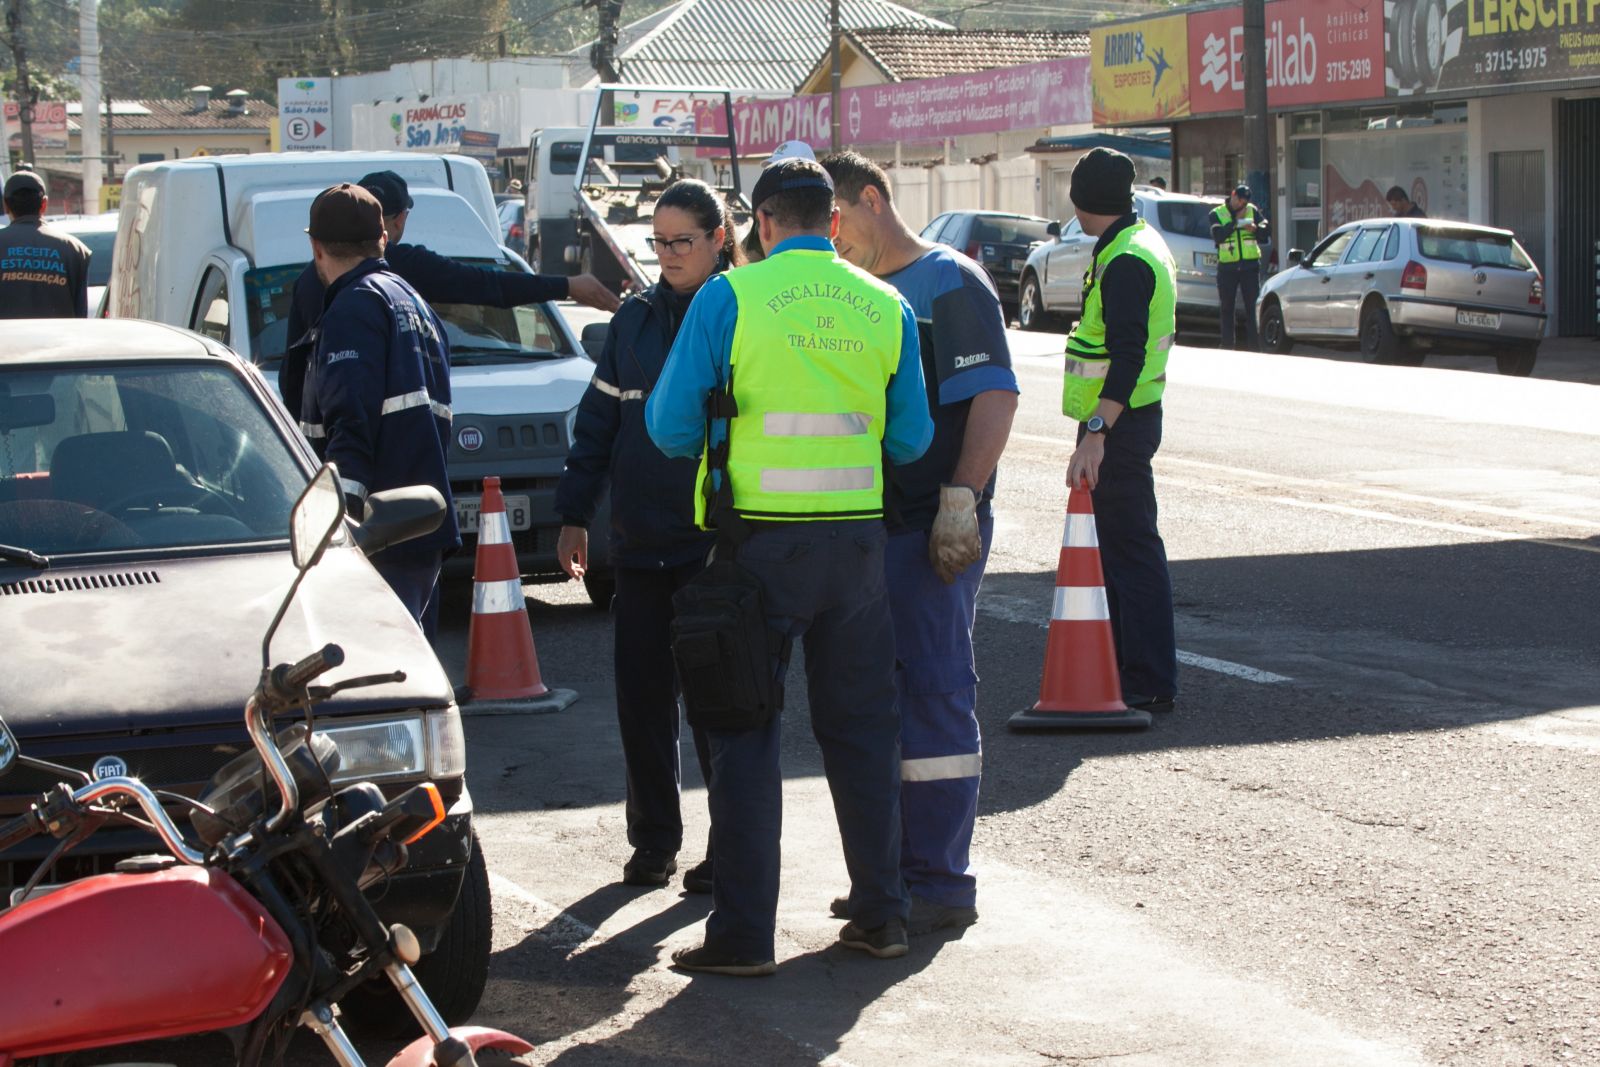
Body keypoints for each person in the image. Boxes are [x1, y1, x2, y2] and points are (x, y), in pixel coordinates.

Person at [646, 158, 934, 976]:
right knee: (864, 734)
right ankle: (883, 914)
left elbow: (668, 427)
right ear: (833, 222)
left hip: (755, 552)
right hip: (857, 551)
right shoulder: (887, 304)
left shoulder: (730, 297)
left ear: (761, 223)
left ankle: (742, 938)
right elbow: (911, 442)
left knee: (744, 736)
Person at [820, 150, 1018, 936]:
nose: (833, 242)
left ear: (873, 200)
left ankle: (940, 878)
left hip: (929, 527)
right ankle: (893, 873)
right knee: (881, 704)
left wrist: (960, 501)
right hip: (874, 530)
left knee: (934, 694)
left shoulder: (949, 282)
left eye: (840, 221)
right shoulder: (864, 293)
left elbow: (993, 395)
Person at [553, 179, 736, 892]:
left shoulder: (741, 314)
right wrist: (574, 512)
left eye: (681, 241)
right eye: (657, 243)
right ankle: (655, 841)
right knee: (643, 704)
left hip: (713, 548)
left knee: (720, 705)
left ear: (719, 240)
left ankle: (729, 847)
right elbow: (598, 424)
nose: (667, 256)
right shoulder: (633, 323)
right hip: (639, 545)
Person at [279, 170, 621, 415]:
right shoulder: (401, 270)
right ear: (394, 223)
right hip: (375, 439)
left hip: (318, 429)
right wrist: (567, 285)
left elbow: (292, 369)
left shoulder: (312, 276)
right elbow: (487, 286)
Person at [298, 183, 460, 637]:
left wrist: (337, 525)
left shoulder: (354, 308)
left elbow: (350, 422)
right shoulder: (414, 303)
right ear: (383, 238)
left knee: (374, 673)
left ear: (316, 247)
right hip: (417, 524)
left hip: (373, 535)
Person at [1061, 148, 1178, 715]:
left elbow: (1127, 355)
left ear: (1084, 203)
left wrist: (1096, 431)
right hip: (1130, 418)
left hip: (1121, 424)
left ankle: (1148, 678)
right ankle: (1138, 669)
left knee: (1130, 552)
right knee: (1128, 549)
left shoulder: (1125, 260)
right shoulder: (1133, 245)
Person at [0, 171, 91, 319]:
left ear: (5, 205)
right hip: (57, 341)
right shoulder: (74, 250)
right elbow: (80, 313)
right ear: (44, 204)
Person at [1210, 183, 1266, 351]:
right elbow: (1218, 236)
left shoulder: (1252, 210)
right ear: (1233, 195)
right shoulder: (1217, 213)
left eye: (1244, 201)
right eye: (1239, 200)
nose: (1241, 204)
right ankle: (1228, 344)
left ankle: (1254, 346)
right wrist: (1235, 222)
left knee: (1252, 306)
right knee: (1227, 306)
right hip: (1228, 267)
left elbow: (1266, 232)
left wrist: (1255, 228)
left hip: (1249, 266)